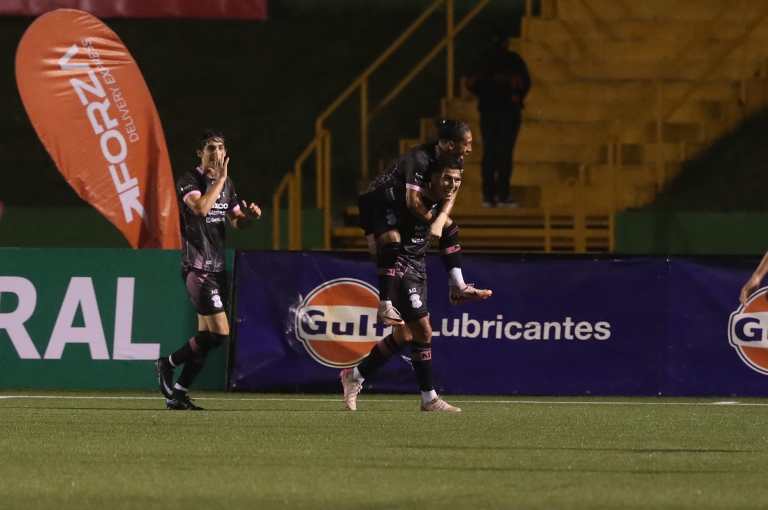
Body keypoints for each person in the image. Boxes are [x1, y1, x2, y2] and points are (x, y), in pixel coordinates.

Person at [341, 158, 492, 412]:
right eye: (447, 178)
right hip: (400, 265)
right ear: (432, 178)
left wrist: (458, 284)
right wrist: (372, 238)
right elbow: (369, 202)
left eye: (457, 180)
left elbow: (449, 232)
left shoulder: (437, 204)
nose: (452, 184)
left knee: (406, 335)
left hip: (418, 265)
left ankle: (354, 375)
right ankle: (429, 398)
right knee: (423, 330)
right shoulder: (406, 198)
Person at [155, 130, 261, 410]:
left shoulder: (227, 185)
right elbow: (201, 208)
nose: (217, 153)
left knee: (208, 338)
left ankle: (178, 393)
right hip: (197, 267)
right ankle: (167, 363)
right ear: (200, 153)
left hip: (217, 267)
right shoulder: (189, 180)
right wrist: (220, 180)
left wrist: (249, 217)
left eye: (221, 148)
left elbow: (236, 221)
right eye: (211, 148)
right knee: (220, 333)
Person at [358, 119, 479, 325]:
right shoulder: (420, 158)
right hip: (378, 202)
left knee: (449, 226)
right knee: (391, 241)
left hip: (401, 206)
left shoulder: (455, 159)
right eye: (467, 143)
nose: (469, 149)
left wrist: (441, 220)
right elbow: (413, 202)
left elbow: (452, 192)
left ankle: (458, 286)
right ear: (450, 145)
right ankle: (385, 306)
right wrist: (434, 222)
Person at [466, 32, 530, 208]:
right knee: (502, 154)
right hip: (505, 111)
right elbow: (524, 83)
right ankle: (500, 195)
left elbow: (471, 83)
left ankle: (491, 195)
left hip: (493, 111)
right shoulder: (512, 60)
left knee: (493, 153)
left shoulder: (485, 60)